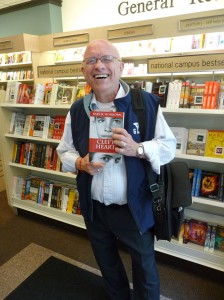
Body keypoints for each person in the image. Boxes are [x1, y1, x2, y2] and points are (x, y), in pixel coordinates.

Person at [57, 39, 176, 300]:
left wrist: (138, 149)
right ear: (83, 70)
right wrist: (79, 163)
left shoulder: (144, 103)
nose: (99, 65)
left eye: (106, 59)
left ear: (121, 66)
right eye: (91, 60)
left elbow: (169, 147)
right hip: (95, 208)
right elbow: (63, 150)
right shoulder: (78, 109)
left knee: (144, 268)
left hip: (134, 207)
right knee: (108, 266)